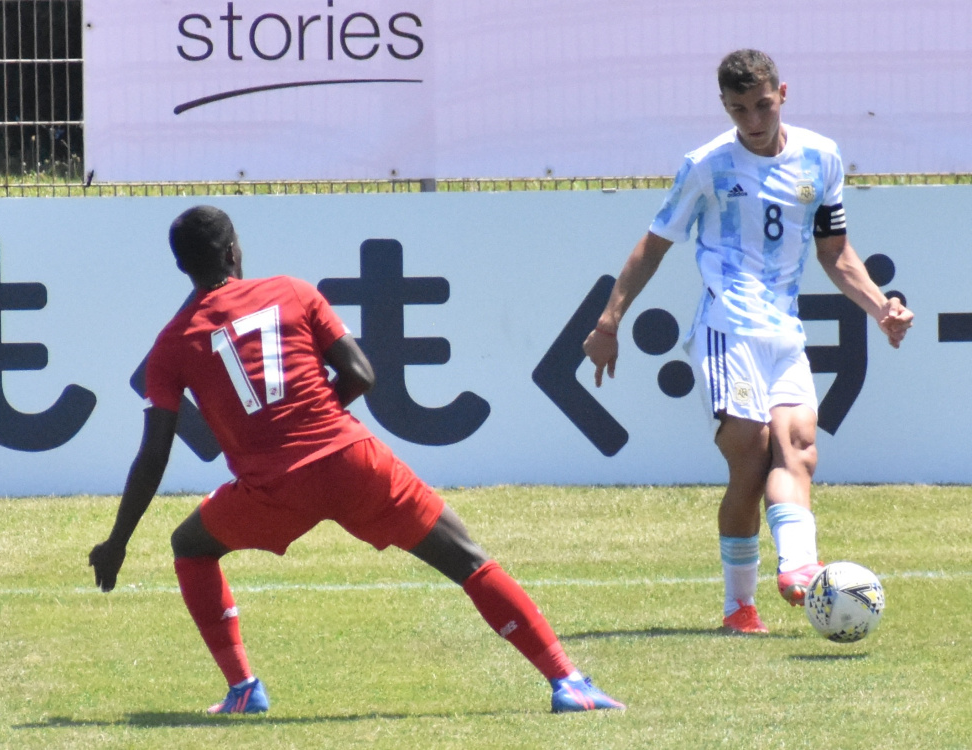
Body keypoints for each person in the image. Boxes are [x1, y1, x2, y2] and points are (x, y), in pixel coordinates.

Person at [89, 205, 624, 715]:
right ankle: (567, 681)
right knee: (466, 558)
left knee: (190, 546)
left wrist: (118, 543)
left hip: (272, 490)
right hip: (352, 462)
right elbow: (362, 374)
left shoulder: (172, 344)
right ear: (233, 251)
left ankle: (243, 688)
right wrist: (317, 416)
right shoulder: (293, 291)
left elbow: (154, 453)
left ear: (181, 267)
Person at [583, 49, 913, 634]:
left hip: (783, 330)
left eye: (762, 105)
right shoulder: (707, 165)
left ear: (782, 93)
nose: (754, 121)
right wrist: (609, 323)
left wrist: (879, 307)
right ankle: (740, 604)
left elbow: (835, 252)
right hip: (725, 328)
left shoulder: (821, 157)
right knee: (753, 452)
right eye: (739, 110)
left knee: (799, 445)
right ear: (724, 106)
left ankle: (799, 568)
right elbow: (652, 246)